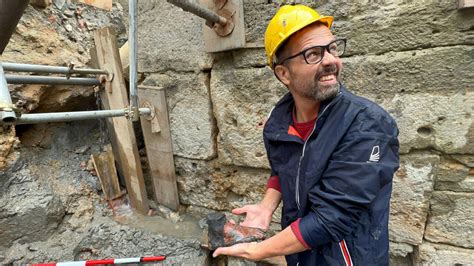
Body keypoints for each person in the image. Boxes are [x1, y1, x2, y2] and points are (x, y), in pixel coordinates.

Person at [212, 4, 400, 265]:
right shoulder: (279, 120)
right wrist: (266, 206)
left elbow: (332, 217)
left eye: (332, 49)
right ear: (284, 73)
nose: (331, 61)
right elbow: (283, 168)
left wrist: (257, 250)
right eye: (313, 54)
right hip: (300, 255)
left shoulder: (367, 125)